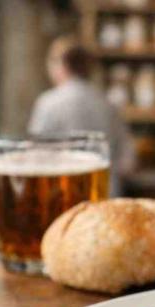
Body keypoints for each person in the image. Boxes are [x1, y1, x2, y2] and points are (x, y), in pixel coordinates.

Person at [29, 36, 135, 194]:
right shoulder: (108, 102)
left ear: (62, 66)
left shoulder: (48, 102)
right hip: (105, 191)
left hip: (64, 194)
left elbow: (36, 155)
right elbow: (128, 162)